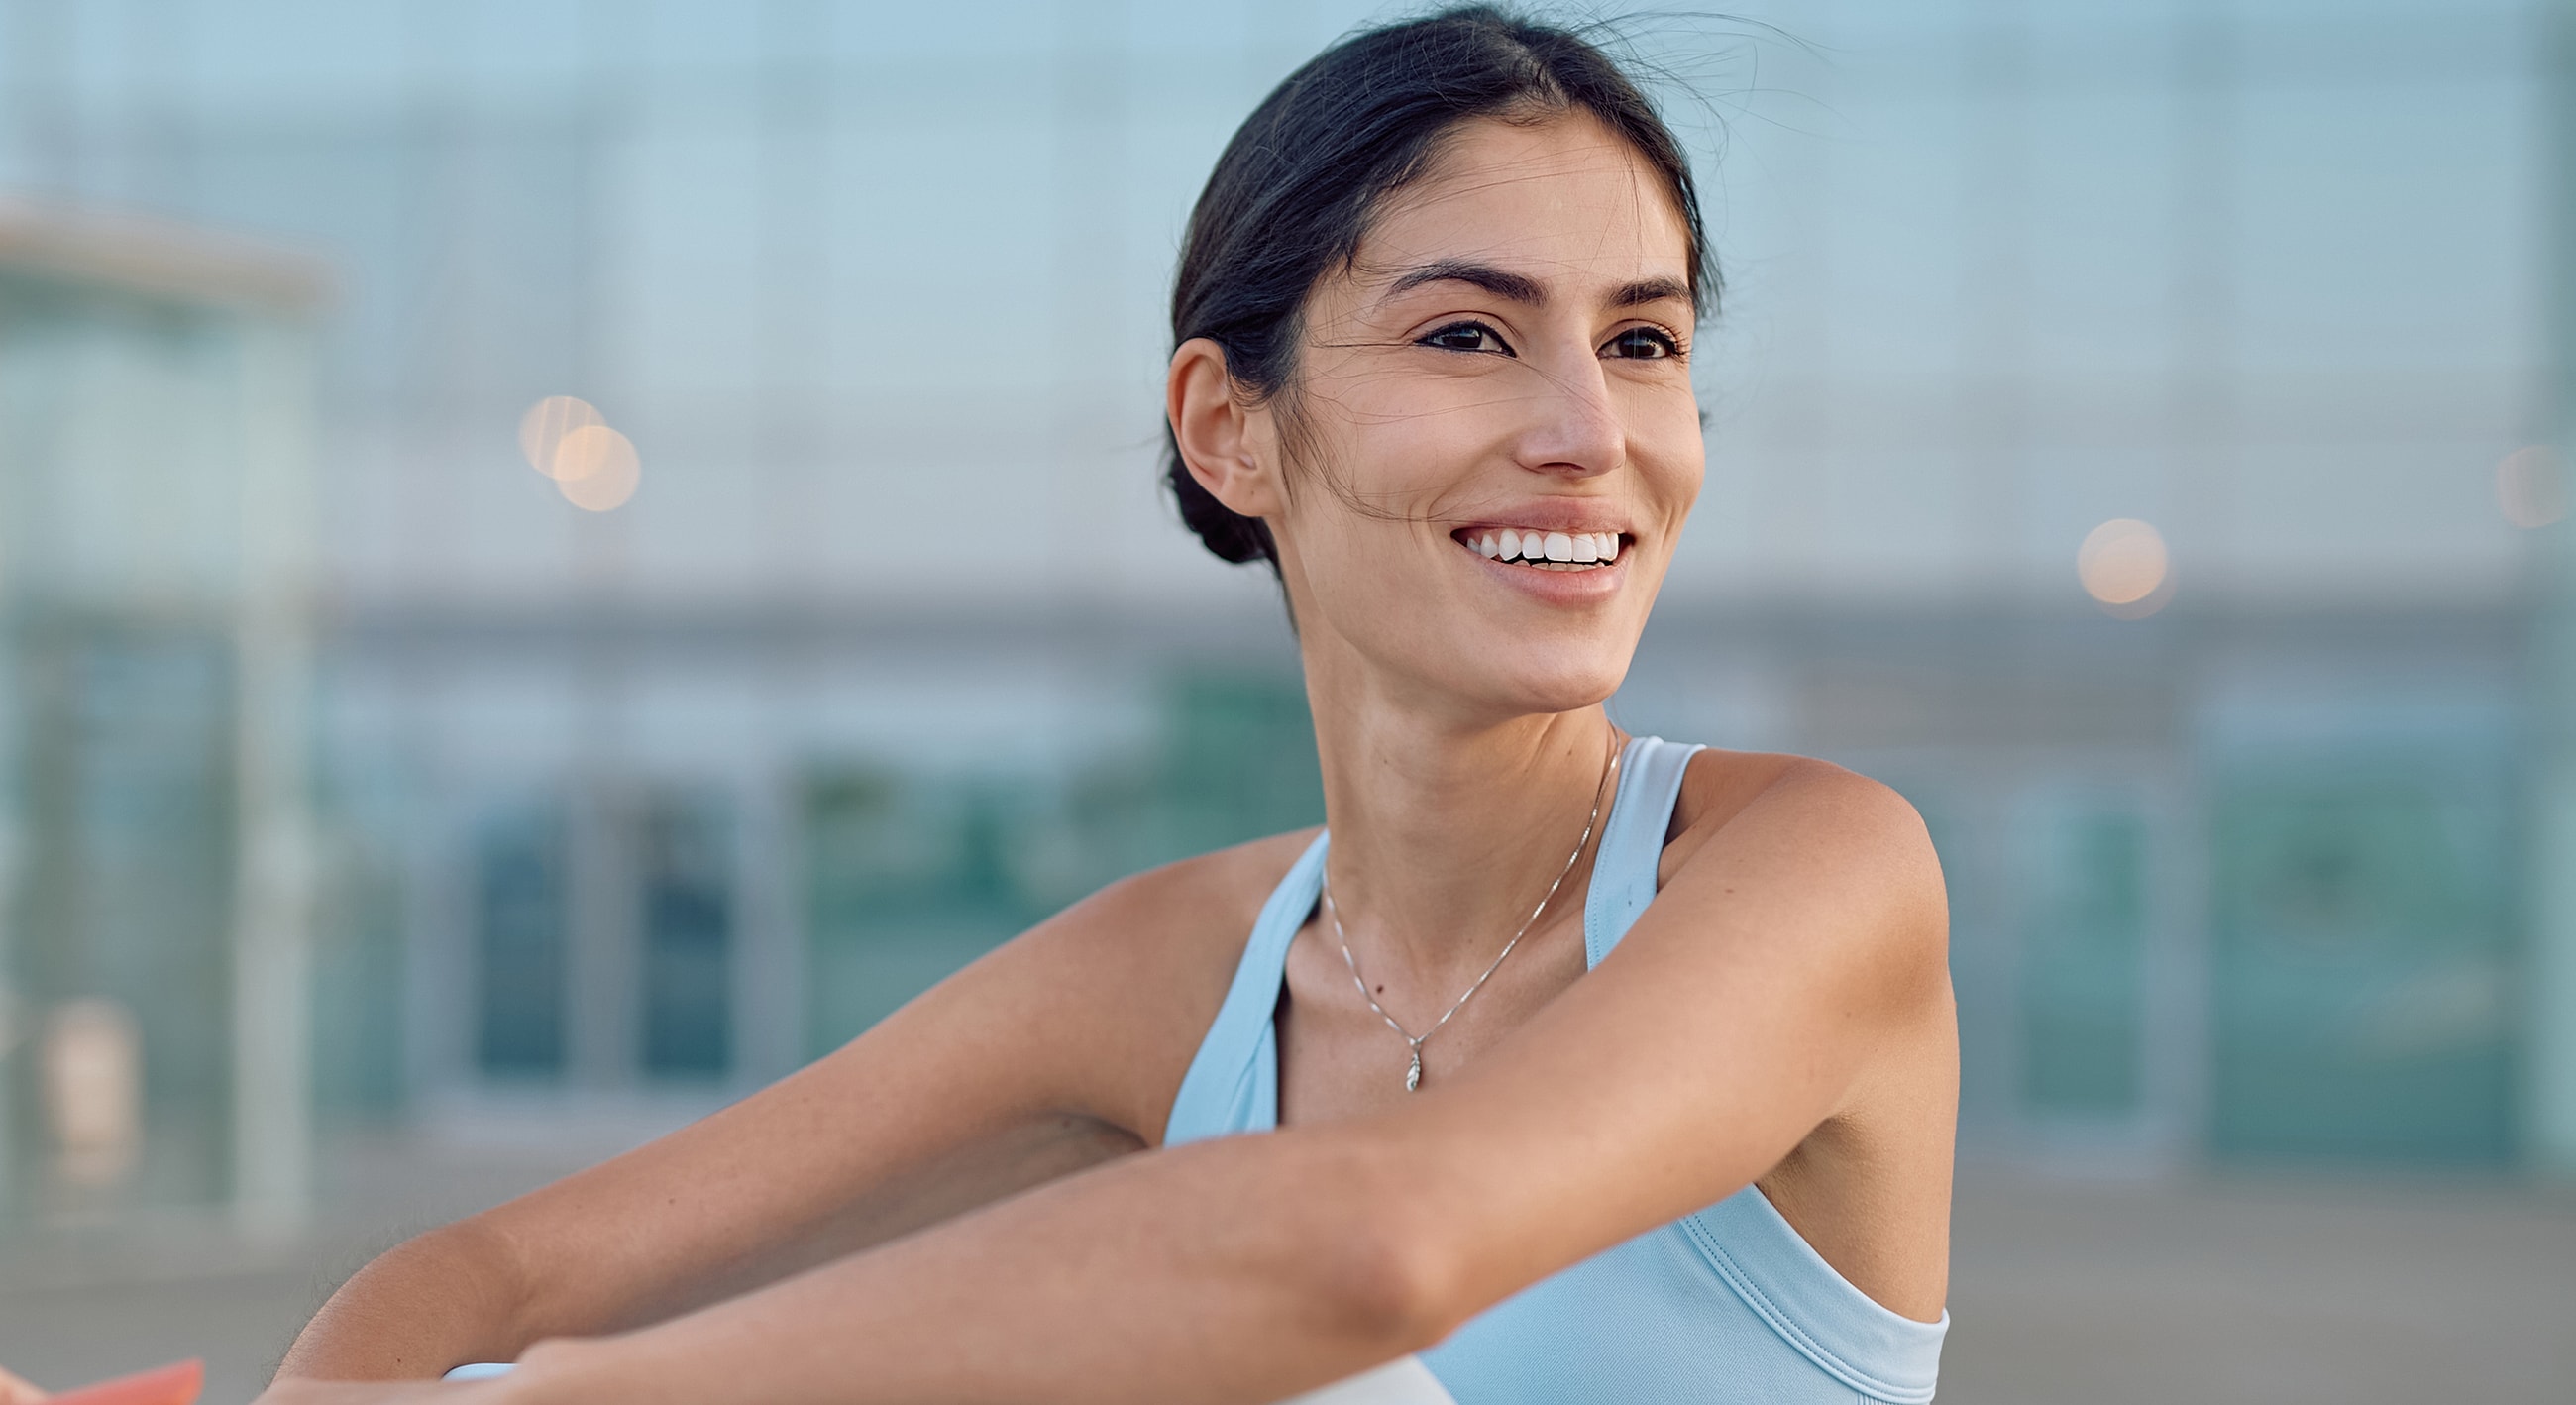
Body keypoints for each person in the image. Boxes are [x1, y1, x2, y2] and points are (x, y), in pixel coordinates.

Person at [251, 8, 1955, 1402]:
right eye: (1467, 336)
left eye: (1644, 345)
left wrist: (571, 1399)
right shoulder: (1176, 973)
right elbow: (489, 1277)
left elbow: (1365, 1255)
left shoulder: (1815, 869)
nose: (1592, 431)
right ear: (1230, 427)